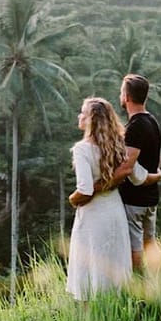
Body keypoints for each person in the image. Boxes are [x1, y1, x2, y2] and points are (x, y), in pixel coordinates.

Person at [66, 97, 135, 301]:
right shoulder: (118, 145)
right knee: (113, 268)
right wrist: (157, 173)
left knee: (89, 272)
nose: (79, 116)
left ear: (92, 120)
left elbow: (85, 190)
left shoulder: (82, 149)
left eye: (83, 113)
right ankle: (114, 317)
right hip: (114, 210)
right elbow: (138, 176)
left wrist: (72, 199)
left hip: (93, 215)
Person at [114, 74, 161, 272]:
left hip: (135, 199)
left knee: (134, 246)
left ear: (126, 96)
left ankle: (137, 285)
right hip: (151, 196)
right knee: (149, 242)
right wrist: (155, 175)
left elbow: (127, 166)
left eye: (121, 91)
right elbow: (158, 160)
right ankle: (154, 278)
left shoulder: (135, 127)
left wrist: (103, 185)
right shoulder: (153, 122)